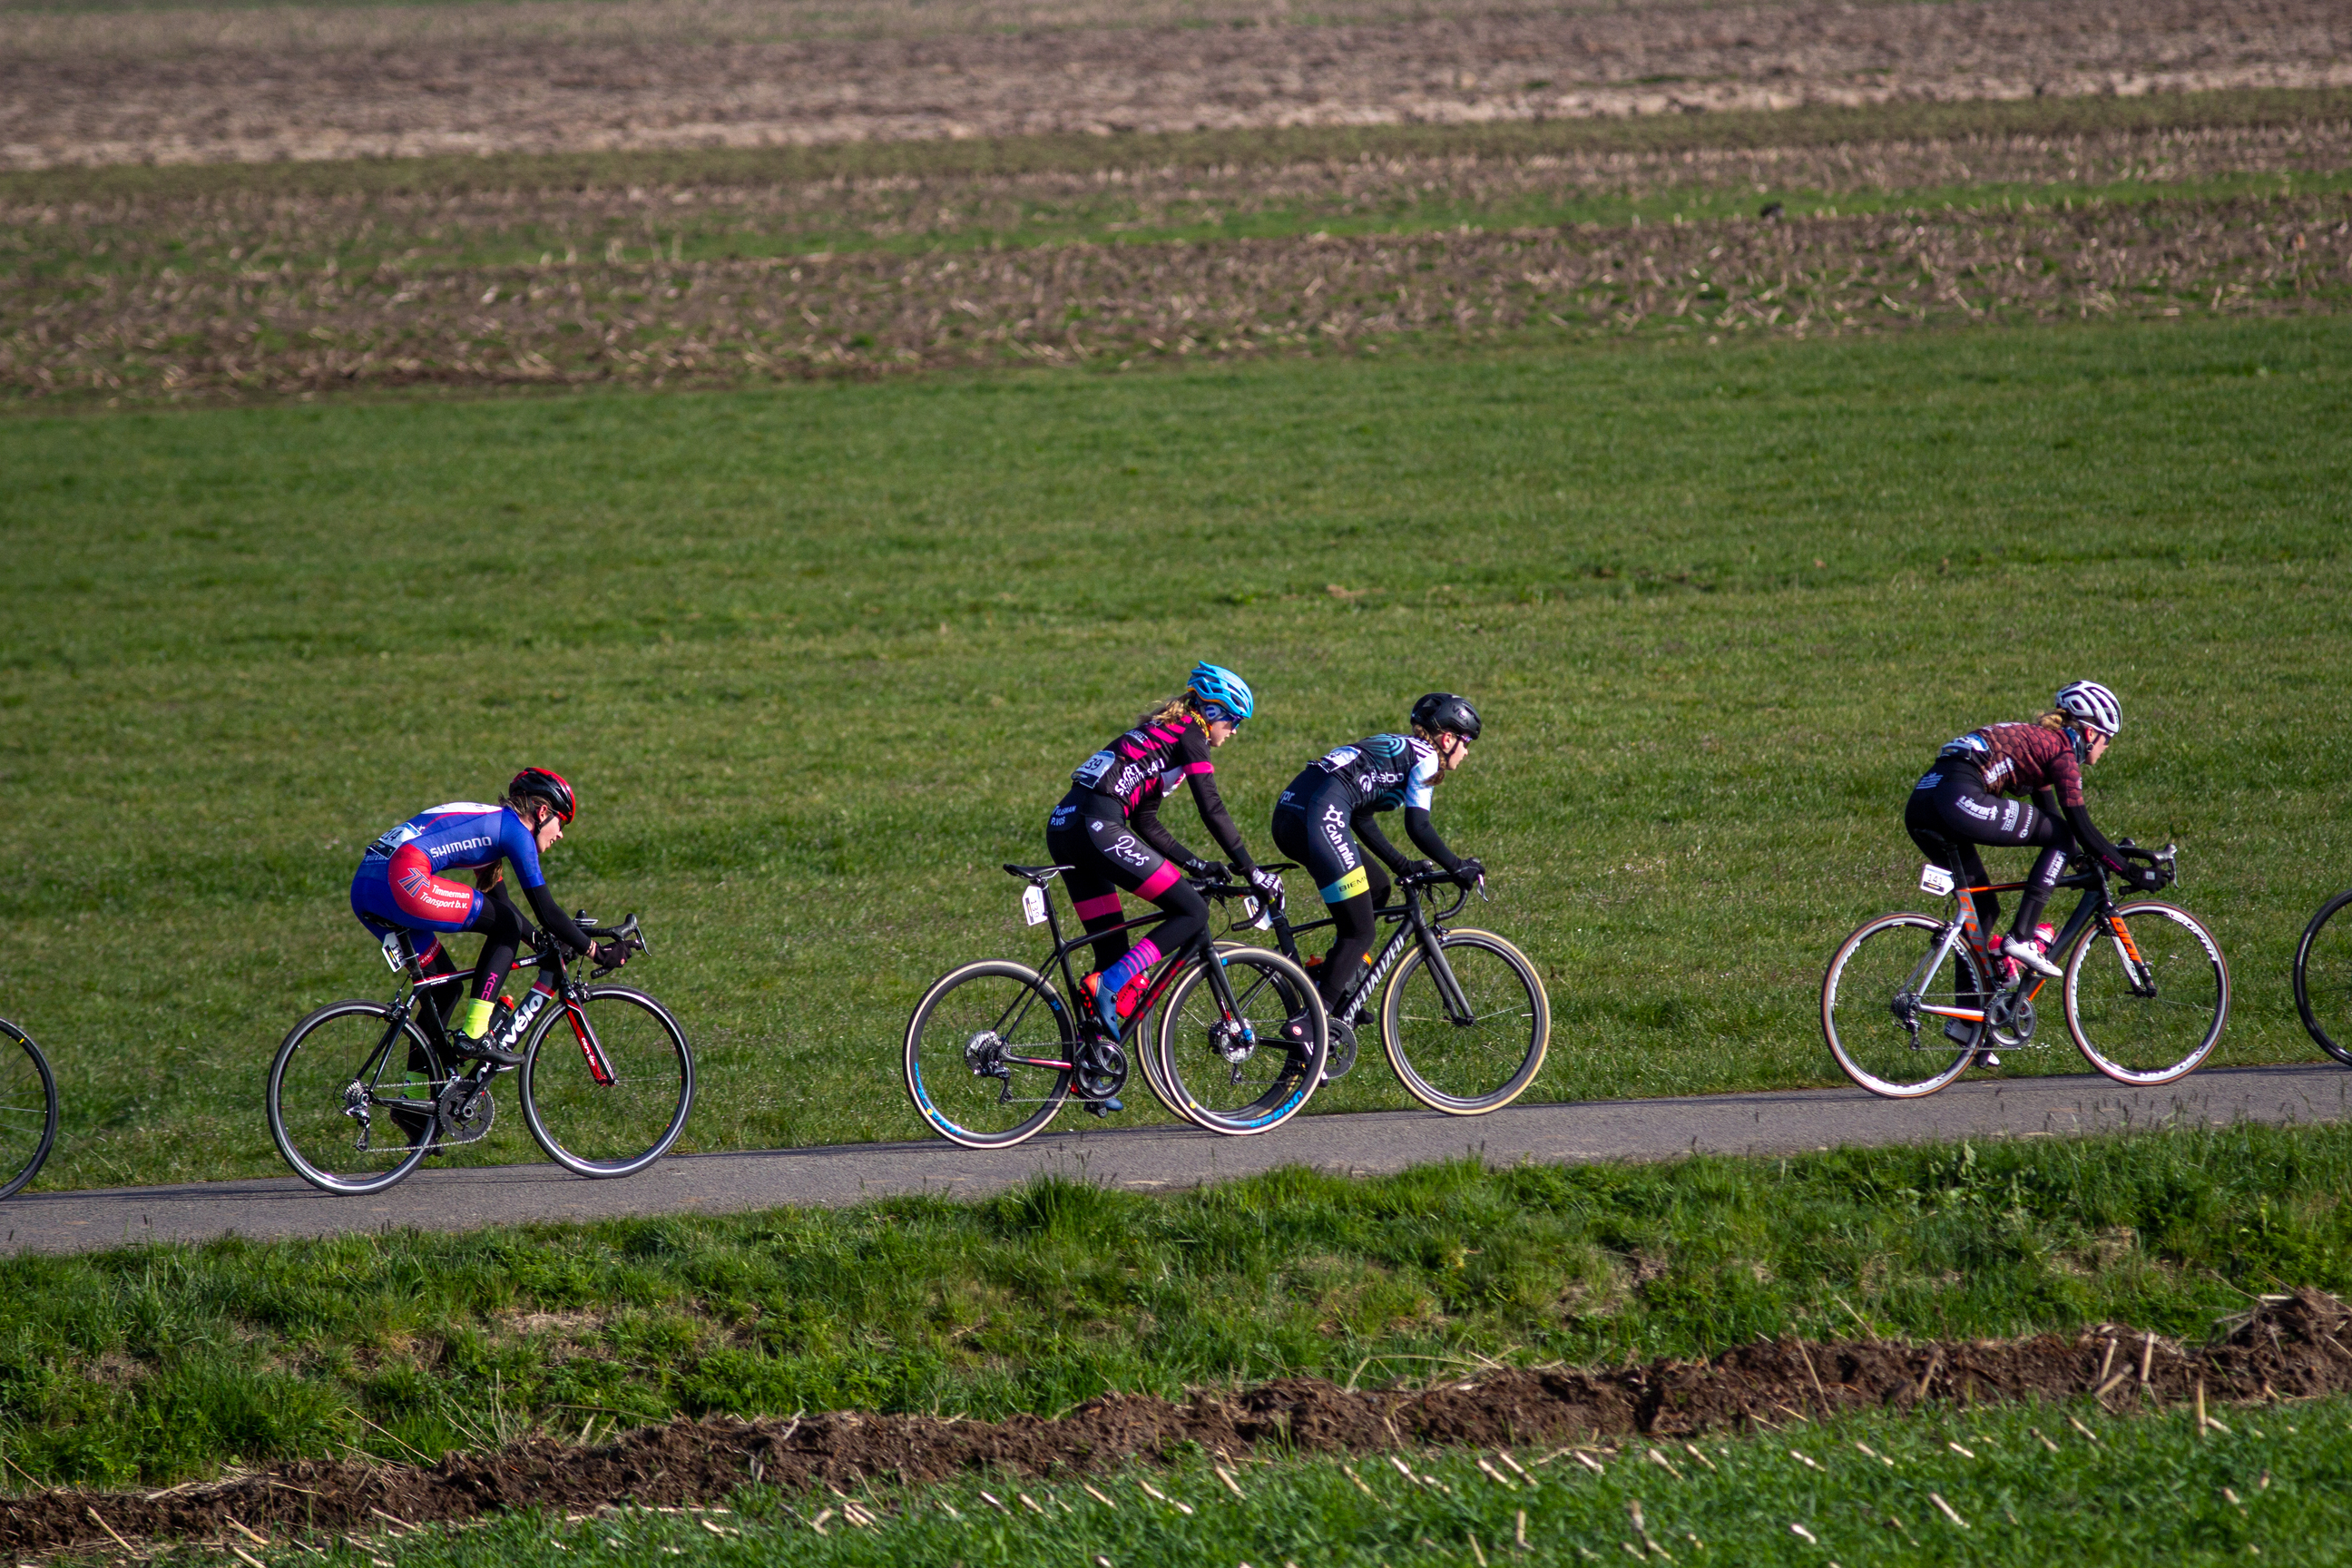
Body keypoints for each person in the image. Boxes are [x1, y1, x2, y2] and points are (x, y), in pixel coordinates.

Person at [1905, 681, 2161, 1062]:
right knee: (2060, 835)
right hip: (1958, 795)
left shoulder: (2042, 742)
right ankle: (2022, 938)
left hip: (1925, 799)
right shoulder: (2061, 751)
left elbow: (2058, 822)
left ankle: (1968, 1021)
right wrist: (2132, 873)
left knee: (1983, 911)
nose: (2107, 747)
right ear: (2090, 731)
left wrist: (2083, 859)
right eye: (2108, 738)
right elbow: (2077, 825)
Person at [1046, 662, 1285, 1043]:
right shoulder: (1191, 735)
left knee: (1111, 950)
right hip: (1096, 827)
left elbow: (1145, 819)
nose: (1235, 730)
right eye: (1234, 720)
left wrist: (1197, 863)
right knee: (1192, 910)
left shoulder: (1161, 733)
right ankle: (1111, 982)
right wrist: (1251, 870)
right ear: (1212, 711)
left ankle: (1092, 1069)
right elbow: (1211, 807)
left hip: (1065, 827)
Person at [348, 769, 627, 1063]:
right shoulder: (515, 831)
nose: (560, 833)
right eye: (562, 822)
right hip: (404, 879)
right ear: (543, 811)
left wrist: (540, 943)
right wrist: (596, 951)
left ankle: (413, 1101)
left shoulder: (490, 825)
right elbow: (545, 910)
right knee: (504, 925)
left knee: (445, 988)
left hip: (366, 885)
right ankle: (475, 1034)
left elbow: (501, 900)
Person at [1270, 692, 1485, 1019]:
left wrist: (1401, 865)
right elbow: (1419, 827)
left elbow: (1360, 817)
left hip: (1291, 813)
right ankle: (1317, 1025)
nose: (1467, 751)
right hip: (1319, 817)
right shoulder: (1426, 757)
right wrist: (1458, 867)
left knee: (1378, 888)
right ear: (1447, 738)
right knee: (1361, 932)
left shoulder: (1396, 746)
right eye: (1466, 741)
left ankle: (1332, 982)